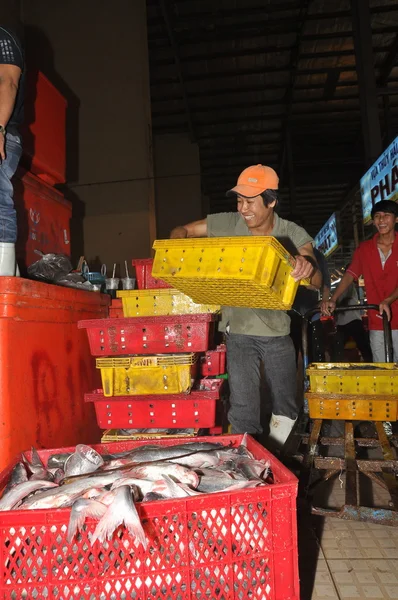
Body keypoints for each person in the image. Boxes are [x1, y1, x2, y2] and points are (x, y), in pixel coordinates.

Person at [170, 164, 321, 449]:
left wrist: (306, 267)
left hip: (277, 333)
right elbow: (184, 230)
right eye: (239, 200)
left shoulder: (290, 231)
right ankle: (247, 466)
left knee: (287, 407)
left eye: (250, 201)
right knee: (243, 411)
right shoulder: (228, 223)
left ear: (271, 201)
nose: (243, 208)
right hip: (238, 332)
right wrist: (179, 243)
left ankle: (277, 456)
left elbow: (316, 276)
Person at [323, 200, 398, 361]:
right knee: (382, 370)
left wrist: (388, 300)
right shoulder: (364, 249)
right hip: (377, 321)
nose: (381, 220)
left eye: (387, 215)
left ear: (396, 219)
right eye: (377, 216)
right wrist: (333, 299)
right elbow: (350, 274)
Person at [0, 20, 24, 275]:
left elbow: (8, 82)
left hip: (4, 132)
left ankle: (3, 284)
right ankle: (13, 285)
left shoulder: (2, 36)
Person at [290, 245, 331, 363]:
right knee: (289, 357)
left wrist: (324, 301)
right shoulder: (288, 250)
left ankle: (313, 380)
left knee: (315, 356)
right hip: (290, 314)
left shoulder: (317, 256)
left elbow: (326, 282)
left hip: (311, 314)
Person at [332, 273, 372, 362]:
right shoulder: (348, 284)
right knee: (363, 345)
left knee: (339, 347)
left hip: (342, 320)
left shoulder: (341, 285)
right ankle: (370, 363)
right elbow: (346, 299)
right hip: (352, 318)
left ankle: (335, 365)